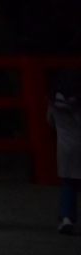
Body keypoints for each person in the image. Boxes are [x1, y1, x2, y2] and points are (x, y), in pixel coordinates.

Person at [48, 68, 81, 235]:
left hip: (64, 146)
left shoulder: (54, 102)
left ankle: (66, 218)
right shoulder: (77, 103)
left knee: (68, 183)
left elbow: (50, 121)